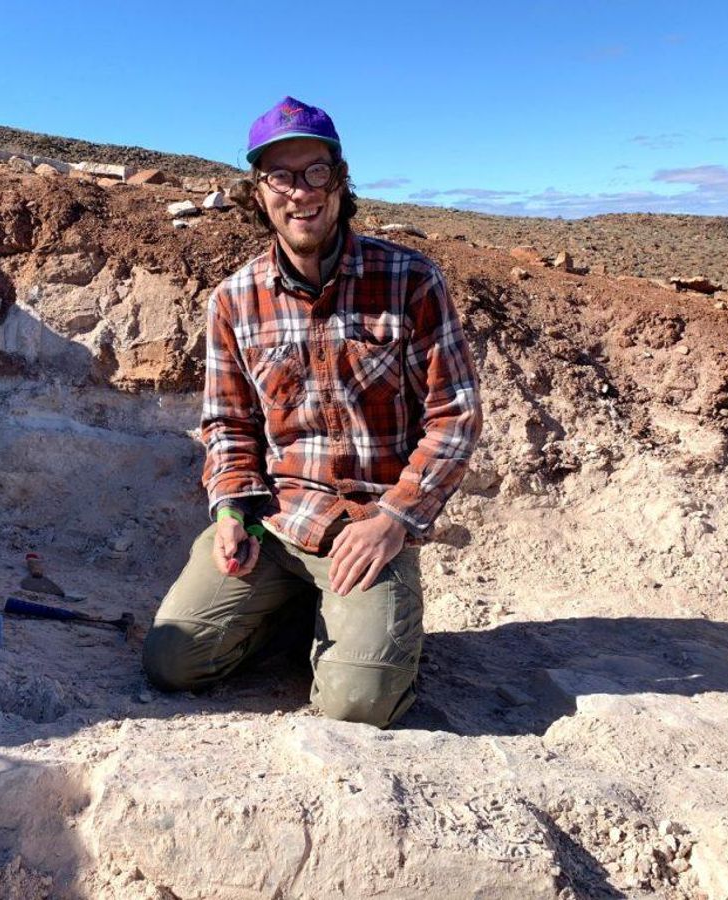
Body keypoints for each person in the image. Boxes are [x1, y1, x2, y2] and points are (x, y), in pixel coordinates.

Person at [142, 97, 482, 728]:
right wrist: (231, 510)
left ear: (339, 179)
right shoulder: (234, 300)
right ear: (259, 192)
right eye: (281, 176)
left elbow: (454, 415)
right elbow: (228, 423)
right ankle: (299, 609)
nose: (300, 192)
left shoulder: (410, 280)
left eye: (315, 172)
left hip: (367, 530)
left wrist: (394, 520)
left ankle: (358, 629)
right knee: (173, 661)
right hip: (276, 524)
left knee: (359, 705)